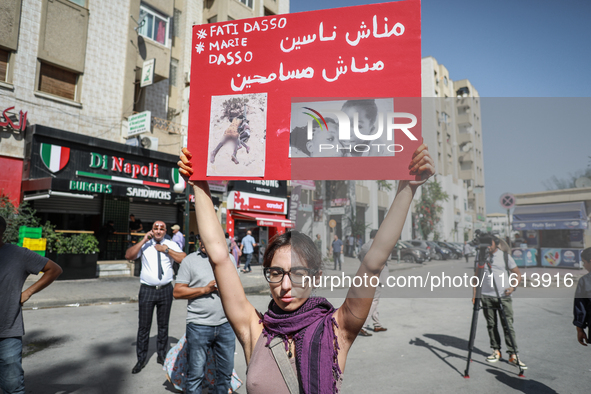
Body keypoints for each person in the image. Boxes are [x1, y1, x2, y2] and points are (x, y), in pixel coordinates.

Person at [177, 143, 433, 393]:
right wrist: (199, 183)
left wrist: (407, 188)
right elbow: (219, 256)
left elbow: (373, 262)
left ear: (316, 277)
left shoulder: (337, 330)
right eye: (276, 273)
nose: (285, 286)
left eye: (298, 273)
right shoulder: (254, 329)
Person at [0, 216, 63, 393]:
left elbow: (54, 269)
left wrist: (28, 292)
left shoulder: (17, 254)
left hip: (7, 331)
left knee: (12, 387)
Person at [173, 241, 236, 393]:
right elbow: (177, 292)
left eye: (207, 237)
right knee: (195, 375)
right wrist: (205, 290)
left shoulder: (229, 259)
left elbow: (235, 289)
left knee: (225, 374)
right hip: (199, 325)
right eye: (200, 238)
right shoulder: (190, 260)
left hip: (226, 325)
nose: (203, 241)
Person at [125, 221, 186, 374]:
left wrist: (166, 250)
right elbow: (129, 255)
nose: (158, 231)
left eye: (161, 229)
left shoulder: (170, 244)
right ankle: (141, 359)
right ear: (152, 230)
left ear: (165, 231)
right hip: (147, 290)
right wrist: (144, 240)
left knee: (163, 325)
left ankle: (162, 354)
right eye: (155, 228)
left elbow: (183, 259)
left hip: (165, 289)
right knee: (144, 326)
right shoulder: (145, 244)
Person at [473, 235, 527, 369]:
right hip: (486, 296)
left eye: (489, 243)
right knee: (491, 325)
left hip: (503, 296)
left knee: (507, 325)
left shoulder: (504, 257)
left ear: (496, 243)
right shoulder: (481, 257)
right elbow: (476, 277)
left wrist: (513, 287)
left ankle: (513, 354)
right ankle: (496, 350)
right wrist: (475, 295)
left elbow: (517, 273)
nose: (487, 246)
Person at [357, 229, 388, 337]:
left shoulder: (364, 246)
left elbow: (359, 257)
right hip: (377, 276)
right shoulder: (378, 246)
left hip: (366, 275)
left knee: (373, 300)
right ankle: (363, 326)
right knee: (373, 301)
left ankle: (377, 324)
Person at [574, 247, 591, 346]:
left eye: (584, 262)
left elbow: (580, 307)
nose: (584, 266)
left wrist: (579, 329)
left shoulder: (585, 281)